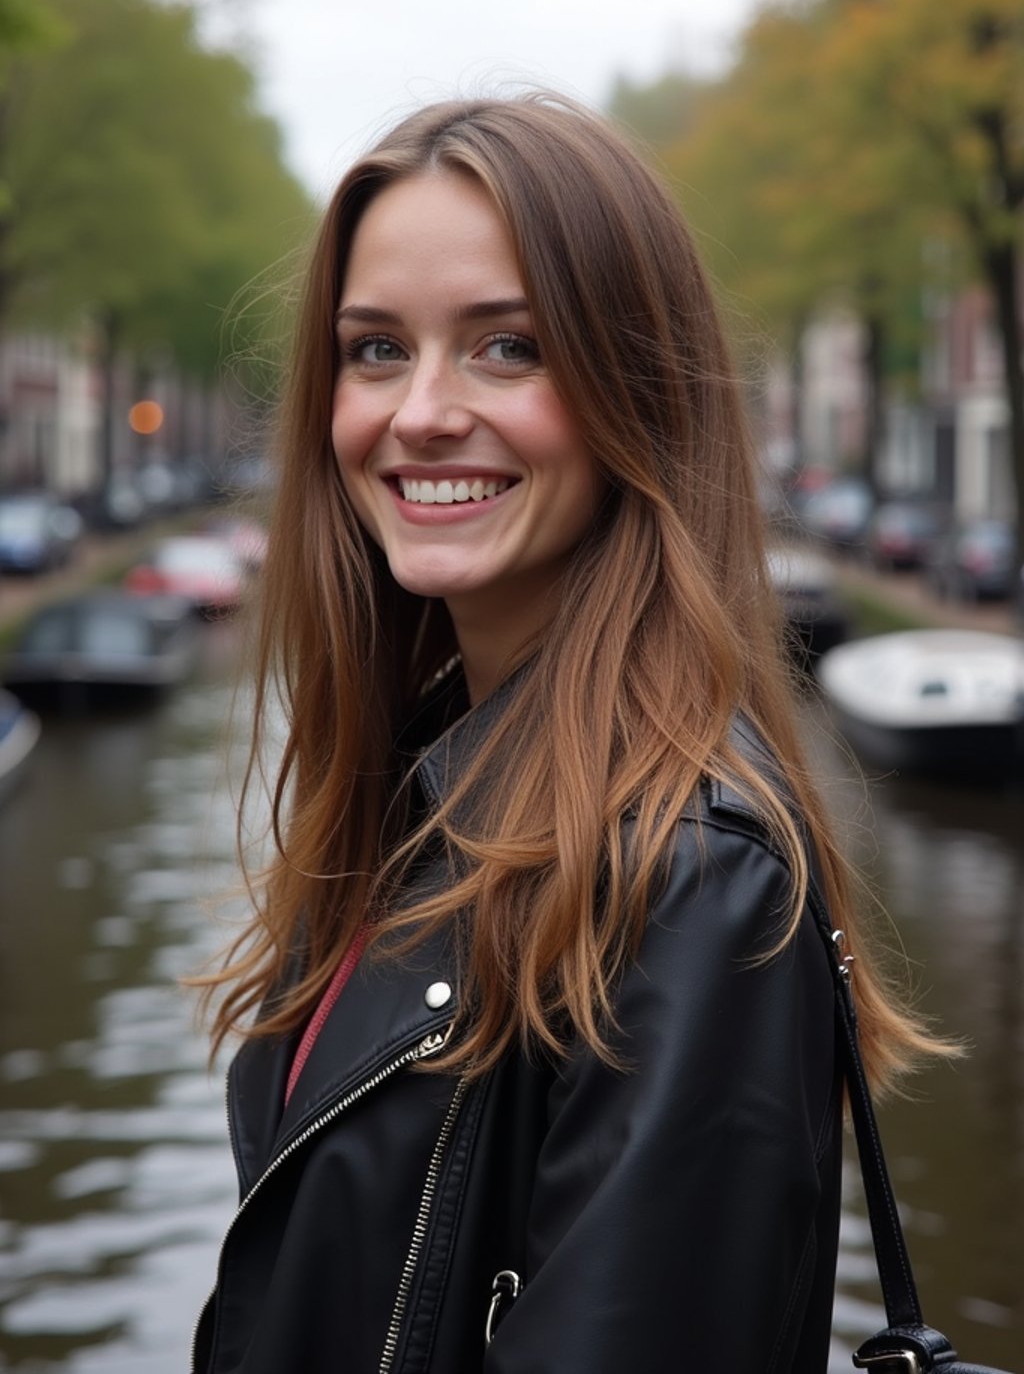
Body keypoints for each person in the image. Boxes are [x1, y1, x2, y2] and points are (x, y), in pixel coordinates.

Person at [192, 93, 939, 1374]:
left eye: (507, 348)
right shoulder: (410, 799)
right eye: (375, 350)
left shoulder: (691, 882)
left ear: (633, 394)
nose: (419, 411)